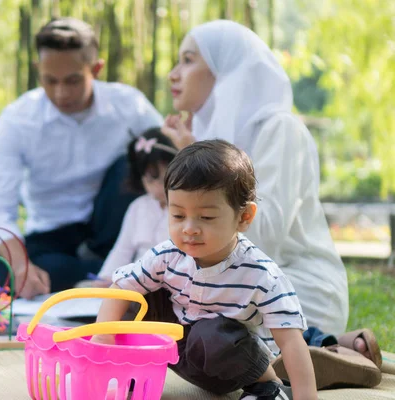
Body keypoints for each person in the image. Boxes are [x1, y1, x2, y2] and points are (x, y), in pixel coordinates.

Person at [159, 19, 382, 386]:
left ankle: (307, 348)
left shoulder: (281, 129)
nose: (173, 74)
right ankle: (318, 350)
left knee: (208, 333)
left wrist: (206, 179)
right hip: (228, 286)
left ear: (227, 69)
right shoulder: (208, 136)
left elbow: (263, 237)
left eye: (187, 60)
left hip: (291, 288)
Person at [93, 140, 317, 400]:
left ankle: (268, 386)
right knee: (133, 295)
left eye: (206, 217)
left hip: (224, 363)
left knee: (210, 333)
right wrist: (102, 338)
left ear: (244, 217)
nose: (189, 228)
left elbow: (290, 341)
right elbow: (119, 287)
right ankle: (127, 373)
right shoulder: (167, 255)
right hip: (175, 348)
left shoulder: (261, 275)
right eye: (177, 215)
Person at [0, 17, 163, 299]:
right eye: (49, 80)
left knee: (133, 160)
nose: (60, 93)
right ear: (37, 70)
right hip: (53, 238)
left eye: (73, 80)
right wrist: (20, 265)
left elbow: (174, 164)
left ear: (97, 69)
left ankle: (112, 275)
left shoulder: (130, 106)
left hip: (114, 233)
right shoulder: (17, 120)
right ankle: (111, 279)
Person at [83, 128, 177, 287]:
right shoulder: (138, 207)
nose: (158, 187)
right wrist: (106, 277)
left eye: (164, 179)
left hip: (173, 280)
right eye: (150, 180)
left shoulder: (185, 208)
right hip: (138, 281)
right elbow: (122, 249)